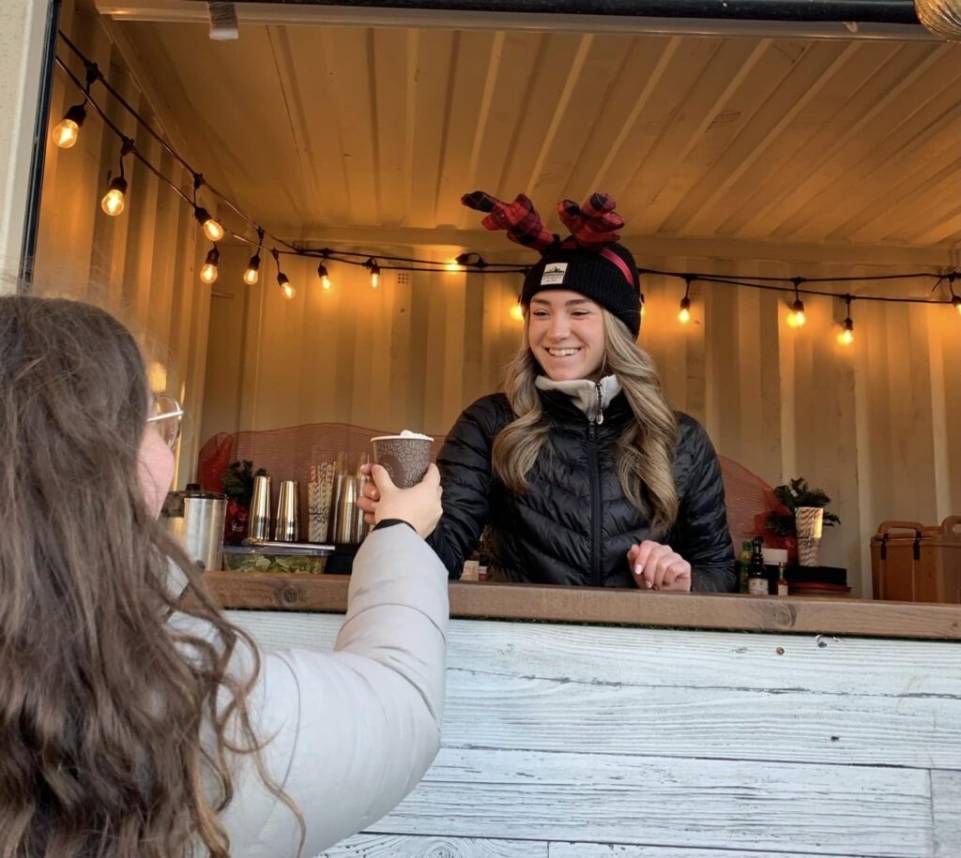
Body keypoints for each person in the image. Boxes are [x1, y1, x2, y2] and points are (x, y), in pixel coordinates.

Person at [0, 295, 448, 858]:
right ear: (107, 460)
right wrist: (399, 531)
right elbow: (399, 704)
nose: (168, 444)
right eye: (153, 421)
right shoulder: (201, 710)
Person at [429, 191, 735, 592]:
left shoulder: (682, 439)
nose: (555, 332)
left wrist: (685, 584)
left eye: (579, 311)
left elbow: (720, 572)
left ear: (618, 326)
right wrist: (403, 524)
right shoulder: (490, 423)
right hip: (520, 633)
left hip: (643, 635)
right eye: (541, 312)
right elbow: (439, 558)